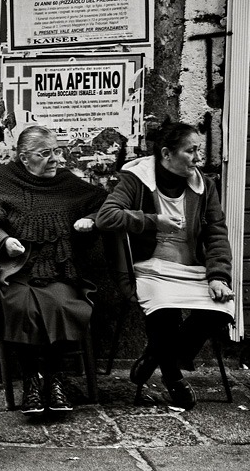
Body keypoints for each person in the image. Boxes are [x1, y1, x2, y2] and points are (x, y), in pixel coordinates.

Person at [96, 120, 235, 410]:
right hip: (150, 267)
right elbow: (106, 217)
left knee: (223, 309)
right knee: (163, 307)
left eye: (198, 150)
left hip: (190, 269)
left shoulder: (205, 186)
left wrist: (218, 275)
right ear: (166, 154)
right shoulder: (137, 179)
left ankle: (157, 355)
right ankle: (172, 375)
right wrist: (151, 220)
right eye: (190, 151)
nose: (198, 158)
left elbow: (216, 232)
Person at [0, 125, 107, 415]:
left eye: (57, 151)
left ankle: (55, 378)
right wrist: (5, 241)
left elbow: (105, 203)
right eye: (45, 153)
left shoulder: (67, 183)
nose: (55, 159)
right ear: (24, 158)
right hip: (19, 271)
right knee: (20, 307)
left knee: (61, 305)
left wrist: (90, 219)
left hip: (59, 272)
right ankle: (30, 379)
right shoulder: (1, 182)